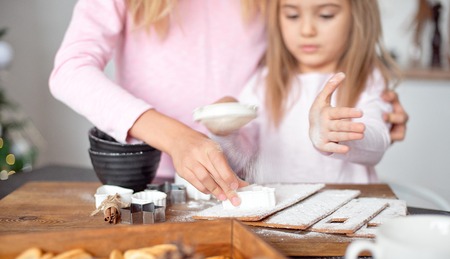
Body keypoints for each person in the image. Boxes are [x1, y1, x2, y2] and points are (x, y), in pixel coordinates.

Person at [49, 0, 407, 204]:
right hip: (150, 185)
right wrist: (179, 138)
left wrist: (368, 120)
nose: (306, 27)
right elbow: (70, 71)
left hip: (234, 189)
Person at [207, 0, 402, 184]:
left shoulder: (366, 78)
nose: (307, 30)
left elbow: (376, 147)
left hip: (348, 213)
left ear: (357, 16)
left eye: (326, 15)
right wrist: (225, 131)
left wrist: (334, 134)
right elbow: (240, 164)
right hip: (278, 215)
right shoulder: (263, 82)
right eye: (292, 16)